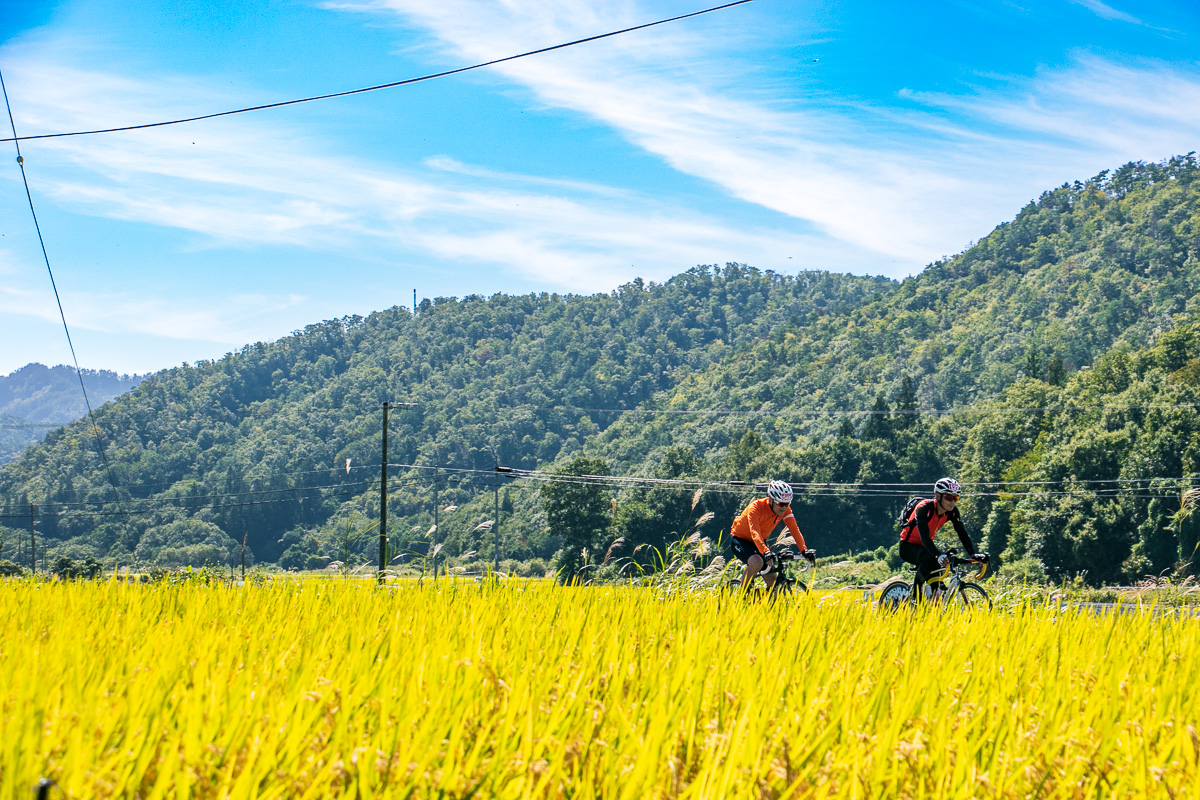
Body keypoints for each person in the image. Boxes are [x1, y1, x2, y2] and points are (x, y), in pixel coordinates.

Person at [898, 477, 986, 600]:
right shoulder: (924, 509)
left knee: (937, 580)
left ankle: (933, 608)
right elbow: (924, 537)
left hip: (926, 548)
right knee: (931, 559)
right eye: (948, 497)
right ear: (938, 496)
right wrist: (938, 555)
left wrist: (973, 554)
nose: (952, 502)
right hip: (908, 546)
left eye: (955, 498)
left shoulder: (952, 512)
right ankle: (915, 597)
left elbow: (962, 533)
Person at [729, 480, 815, 591]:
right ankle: (741, 595)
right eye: (780, 504)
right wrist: (765, 552)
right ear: (770, 499)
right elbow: (754, 532)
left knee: (773, 582)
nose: (784, 507)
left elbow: (794, 529)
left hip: (760, 541)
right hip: (740, 539)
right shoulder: (755, 508)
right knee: (757, 562)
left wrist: (804, 550)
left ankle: (767, 604)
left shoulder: (785, 509)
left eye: (787, 504)